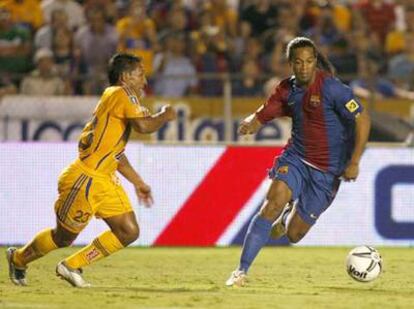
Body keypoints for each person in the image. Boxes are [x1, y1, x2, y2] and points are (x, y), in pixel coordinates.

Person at [6, 53, 177, 288]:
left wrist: (138, 182)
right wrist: (165, 115)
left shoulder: (116, 99)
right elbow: (144, 125)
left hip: (104, 179)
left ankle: (71, 265)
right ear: (125, 77)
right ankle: (18, 258)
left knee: (128, 231)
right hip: (85, 179)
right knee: (63, 237)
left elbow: (116, 154)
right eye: (140, 74)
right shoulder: (121, 93)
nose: (144, 81)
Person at [225, 37, 371, 287]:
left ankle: (287, 219)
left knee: (294, 234)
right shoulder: (286, 90)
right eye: (298, 62)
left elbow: (363, 119)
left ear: (315, 62)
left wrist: (355, 161)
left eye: (309, 61)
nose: (304, 67)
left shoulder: (332, 89)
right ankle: (240, 271)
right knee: (271, 204)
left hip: (327, 172)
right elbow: (263, 113)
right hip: (296, 158)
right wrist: (251, 122)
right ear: (290, 64)